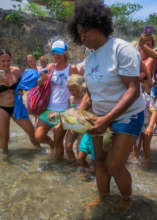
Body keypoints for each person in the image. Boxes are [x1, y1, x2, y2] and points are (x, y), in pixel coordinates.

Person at [67, 0, 145, 211]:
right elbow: (91, 95)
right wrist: (76, 114)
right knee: (98, 162)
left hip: (128, 115)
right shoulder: (90, 60)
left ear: (99, 25)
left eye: (85, 32)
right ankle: (103, 199)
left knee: (114, 165)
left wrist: (106, 119)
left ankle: (127, 199)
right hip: (99, 116)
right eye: (79, 33)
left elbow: (133, 89)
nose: (82, 37)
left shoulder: (122, 49)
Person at [34, 40, 79, 159]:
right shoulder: (50, 67)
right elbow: (41, 85)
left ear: (65, 53)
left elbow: (79, 89)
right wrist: (40, 81)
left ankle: (58, 168)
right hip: (49, 109)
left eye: (58, 52)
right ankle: (51, 144)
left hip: (64, 110)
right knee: (38, 136)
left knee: (59, 140)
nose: (56, 55)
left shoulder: (72, 68)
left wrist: (72, 112)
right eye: (53, 52)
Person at [0, 49, 39, 154]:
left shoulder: (16, 71)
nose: (6, 63)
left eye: (8, 60)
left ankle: (39, 150)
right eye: (3, 61)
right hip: (2, 108)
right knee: (4, 139)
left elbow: (23, 85)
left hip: (17, 106)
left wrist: (21, 91)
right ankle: (5, 161)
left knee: (31, 132)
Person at [65, 74, 86, 162]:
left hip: (84, 126)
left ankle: (83, 167)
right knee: (68, 146)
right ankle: (73, 164)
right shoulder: (71, 99)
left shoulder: (86, 98)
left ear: (81, 87)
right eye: (70, 90)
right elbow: (69, 113)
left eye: (74, 89)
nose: (72, 92)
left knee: (79, 150)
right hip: (73, 125)